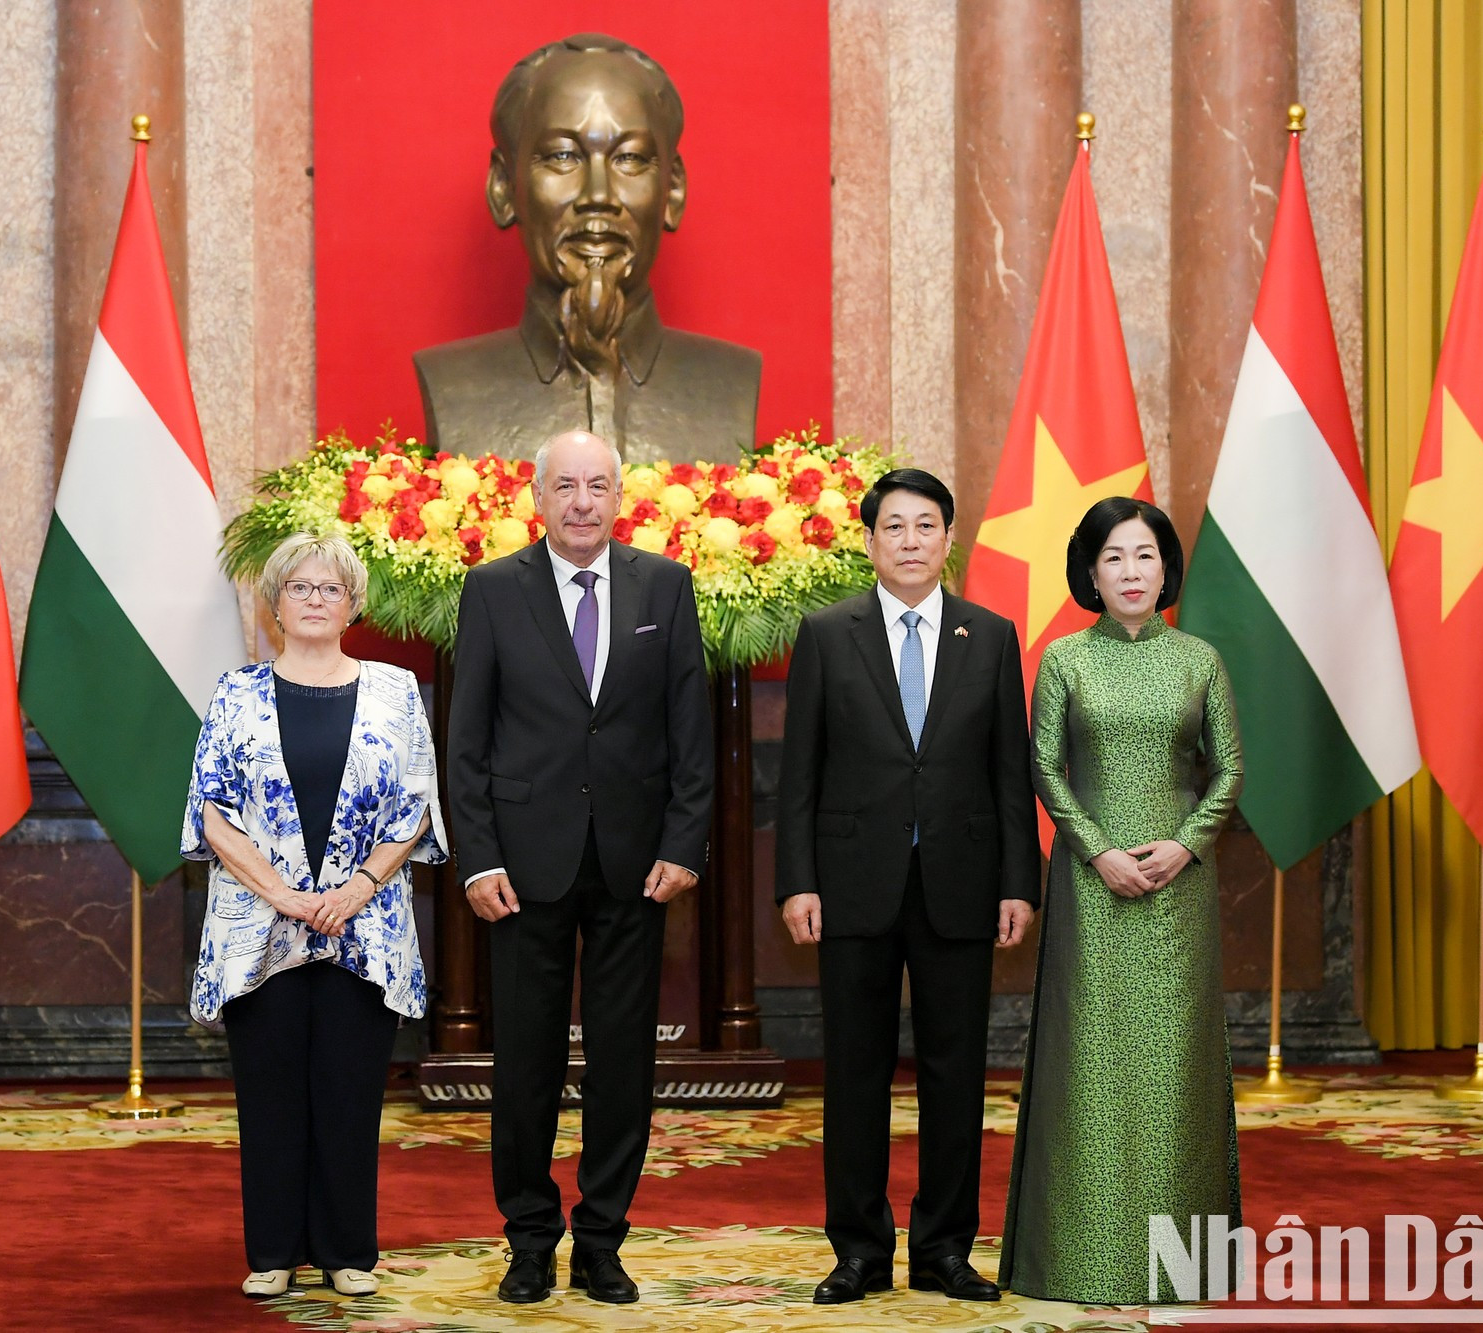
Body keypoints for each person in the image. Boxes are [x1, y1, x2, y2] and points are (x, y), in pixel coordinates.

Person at [447, 428, 714, 1305]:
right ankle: (529, 1237)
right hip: (523, 869)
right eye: (565, 485)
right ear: (537, 496)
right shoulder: (491, 590)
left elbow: (691, 730)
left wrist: (684, 841)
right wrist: (477, 857)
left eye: (597, 485)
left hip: (637, 865)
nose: (582, 501)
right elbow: (468, 741)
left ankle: (603, 1238)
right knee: (523, 1061)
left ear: (619, 495)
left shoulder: (664, 586)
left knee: (623, 1060)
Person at [775, 467, 1040, 1305]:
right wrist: (796, 882)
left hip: (961, 884)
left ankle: (945, 1248)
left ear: (949, 538)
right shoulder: (827, 633)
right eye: (896, 527)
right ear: (869, 541)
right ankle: (857, 1248)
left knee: (956, 1074)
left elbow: (1010, 773)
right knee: (854, 1073)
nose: (912, 541)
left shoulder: (989, 635)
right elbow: (800, 775)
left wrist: (1018, 884)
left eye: (927, 526)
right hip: (852, 886)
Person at [183, 533, 446, 1301]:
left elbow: (416, 806)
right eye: (299, 588)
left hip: (363, 928)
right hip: (258, 928)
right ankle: (272, 1250)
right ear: (274, 603)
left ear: (353, 603)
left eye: (330, 589)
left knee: (349, 1091)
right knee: (268, 1093)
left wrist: (357, 889)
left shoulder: (397, 691)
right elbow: (213, 813)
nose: (315, 601)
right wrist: (286, 895)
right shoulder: (234, 692)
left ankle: (346, 1251)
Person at [999, 497, 1244, 1304]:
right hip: (1088, 883)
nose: (1132, 571)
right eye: (1114, 557)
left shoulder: (1199, 659)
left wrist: (1185, 842)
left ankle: (1183, 1264)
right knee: (1089, 1060)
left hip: (1180, 889)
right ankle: (1080, 1258)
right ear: (1091, 573)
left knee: (1177, 1066)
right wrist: (1098, 848)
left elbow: (1230, 770)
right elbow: (1044, 768)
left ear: (1167, 567)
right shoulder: (1067, 659)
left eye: (1145, 555)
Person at [413, 33, 761, 464]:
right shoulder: (453, 386)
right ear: (504, 188)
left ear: (671, 191)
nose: (599, 194)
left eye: (629, 158)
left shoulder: (733, 382)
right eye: (563, 156)